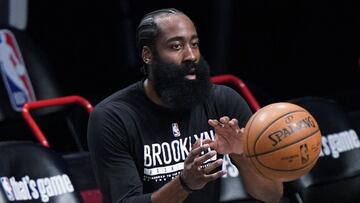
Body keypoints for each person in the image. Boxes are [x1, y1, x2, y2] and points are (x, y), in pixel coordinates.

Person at [87, 8, 283, 203]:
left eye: (194, 44)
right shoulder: (113, 117)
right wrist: (184, 183)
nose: (191, 55)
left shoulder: (224, 102)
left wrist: (240, 154)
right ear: (148, 55)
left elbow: (272, 195)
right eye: (176, 46)